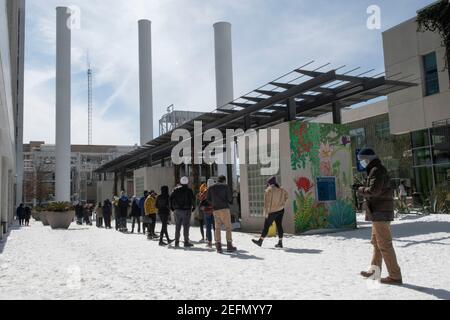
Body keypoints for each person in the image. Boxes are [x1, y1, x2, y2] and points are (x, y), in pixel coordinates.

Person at [356, 148, 403, 286]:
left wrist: (359, 189)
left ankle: (395, 276)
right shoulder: (374, 169)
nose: (361, 163)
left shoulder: (377, 170)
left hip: (380, 213)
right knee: (376, 244)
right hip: (378, 212)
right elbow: (375, 189)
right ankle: (374, 271)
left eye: (362, 160)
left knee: (384, 245)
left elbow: (374, 191)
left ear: (368, 158)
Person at [252, 177, 289, 249]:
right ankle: (280, 242)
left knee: (266, 227)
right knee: (279, 225)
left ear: (269, 183)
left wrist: (266, 213)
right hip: (281, 210)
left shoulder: (268, 190)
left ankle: (260, 241)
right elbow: (287, 196)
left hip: (272, 211)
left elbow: (266, 203)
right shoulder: (281, 189)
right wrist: (283, 203)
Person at [207, 175, 237, 254]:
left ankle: (218, 246)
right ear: (224, 180)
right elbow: (230, 198)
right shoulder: (225, 186)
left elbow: (208, 199)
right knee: (228, 227)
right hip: (224, 209)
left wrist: (214, 203)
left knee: (217, 228)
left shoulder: (211, 188)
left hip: (216, 210)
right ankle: (229, 245)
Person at [170, 177, 196, 248]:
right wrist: (194, 207)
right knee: (186, 226)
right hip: (187, 210)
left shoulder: (175, 190)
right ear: (187, 182)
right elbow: (193, 199)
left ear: (180, 182)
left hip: (177, 210)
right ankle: (186, 242)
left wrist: (172, 208)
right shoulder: (189, 190)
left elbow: (170, 198)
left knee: (177, 226)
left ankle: (176, 242)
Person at [199, 180, 215, 248]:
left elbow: (201, 199)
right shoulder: (215, 191)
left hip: (207, 211)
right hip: (214, 211)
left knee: (208, 227)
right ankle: (217, 241)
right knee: (216, 227)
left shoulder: (205, 191)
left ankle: (209, 242)